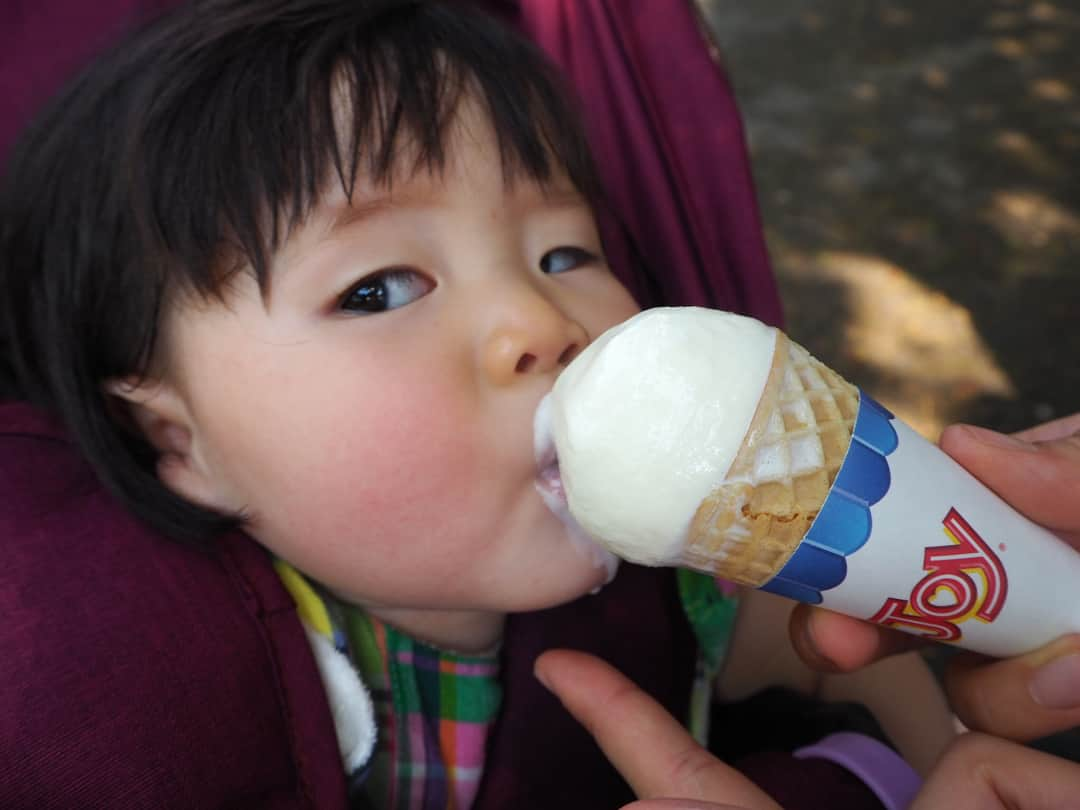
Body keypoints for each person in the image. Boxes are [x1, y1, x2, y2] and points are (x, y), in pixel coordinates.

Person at [0, 0, 951, 806]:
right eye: (378, 288)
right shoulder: (144, 688)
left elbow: (827, 646)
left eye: (564, 253)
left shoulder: (681, 565)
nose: (541, 321)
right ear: (182, 441)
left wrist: (945, 754)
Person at [536, 414, 1080, 809]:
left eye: (562, 260)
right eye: (442, 287)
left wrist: (903, 773)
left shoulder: (696, 591)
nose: (538, 323)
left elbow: (873, 674)